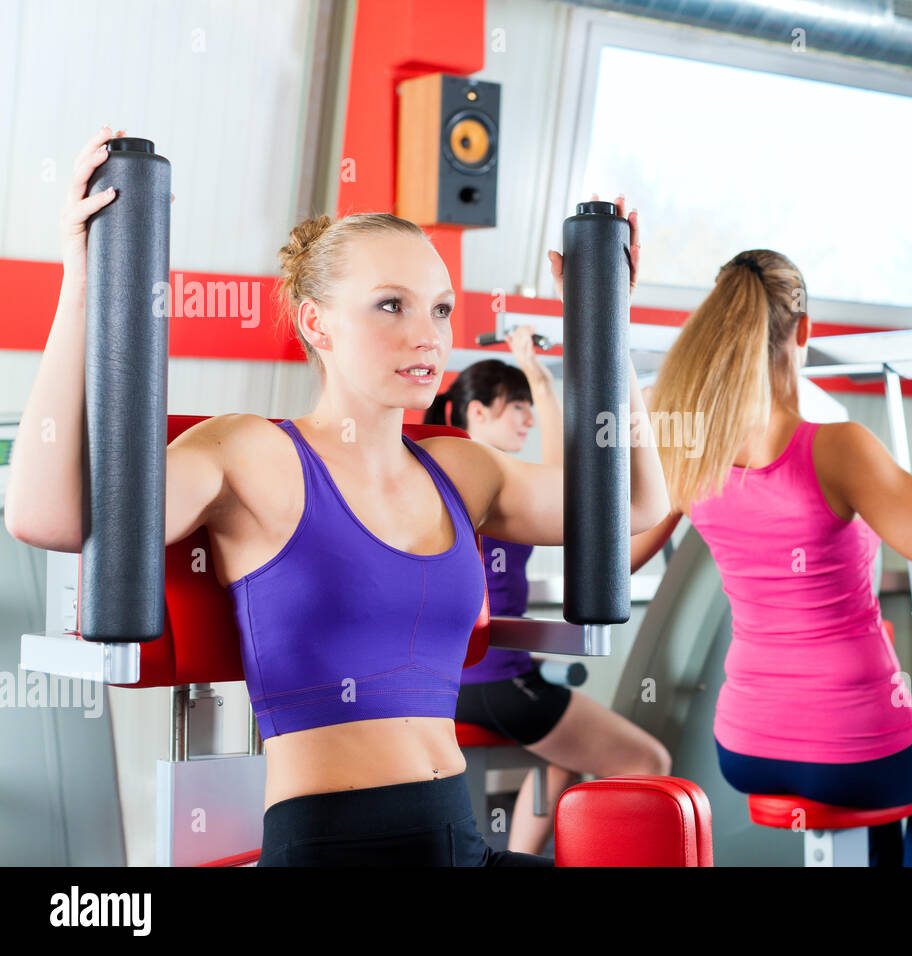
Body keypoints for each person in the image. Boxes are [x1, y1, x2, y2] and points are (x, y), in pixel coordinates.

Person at [5, 126, 670, 867]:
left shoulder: (462, 469)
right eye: (391, 306)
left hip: (458, 841)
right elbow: (44, 515)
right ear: (316, 323)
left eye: (442, 309)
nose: (428, 336)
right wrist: (84, 281)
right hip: (336, 849)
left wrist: (607, 327)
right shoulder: (252, 455)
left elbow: (633, 508)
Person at [629, 249, 912, 867]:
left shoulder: (690, 455)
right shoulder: (837, 449)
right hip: (858, 745)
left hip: (746, 748)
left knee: (881, 782)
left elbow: (617, 563)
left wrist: (644, 423)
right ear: (804, 331)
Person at [425, 342, 671, 855]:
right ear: (476, 412)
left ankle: (525, 857)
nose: (529, 419)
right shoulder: (490, 480)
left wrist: (536, 375)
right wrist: (535, 372)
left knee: (561, 758)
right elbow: (571, 483)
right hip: (497, 683)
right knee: (649, 764)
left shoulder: (441, 476)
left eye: (529, 406)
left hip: (453, 684)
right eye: (516, 406)